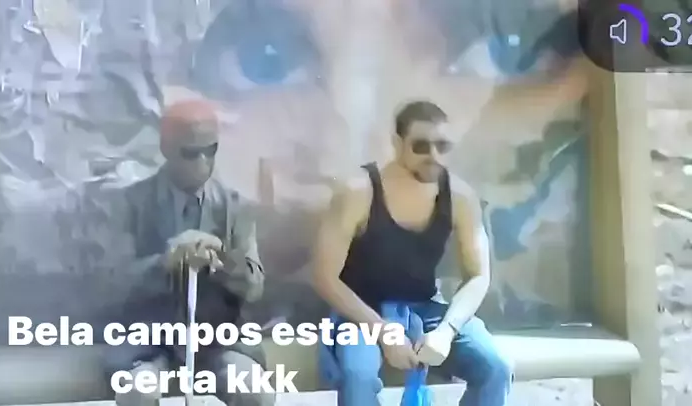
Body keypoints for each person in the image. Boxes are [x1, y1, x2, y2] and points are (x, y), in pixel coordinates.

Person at [312, 100, 511, 406]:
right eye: (421, 146)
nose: (433, 156)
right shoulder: (359, 192)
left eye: (442, 146)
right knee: (358, 376)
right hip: (363, 312)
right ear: (397, 144)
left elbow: (478, 276)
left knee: (496, 368)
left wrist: (447, 331)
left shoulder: (460, 197)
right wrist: (383, 332)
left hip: (427, 308)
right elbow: (325, 277)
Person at [104, 98, 273, 406]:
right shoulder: (130, 203)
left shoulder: (236, 207)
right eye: (191, 153)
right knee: (138, 392)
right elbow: (112, 283)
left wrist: (220, 259)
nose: (203, 162)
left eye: (211, 150)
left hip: (219, 341)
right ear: (166, 148)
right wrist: (165, 262)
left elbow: (254, 286)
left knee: (254, 390)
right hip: (148, 341)